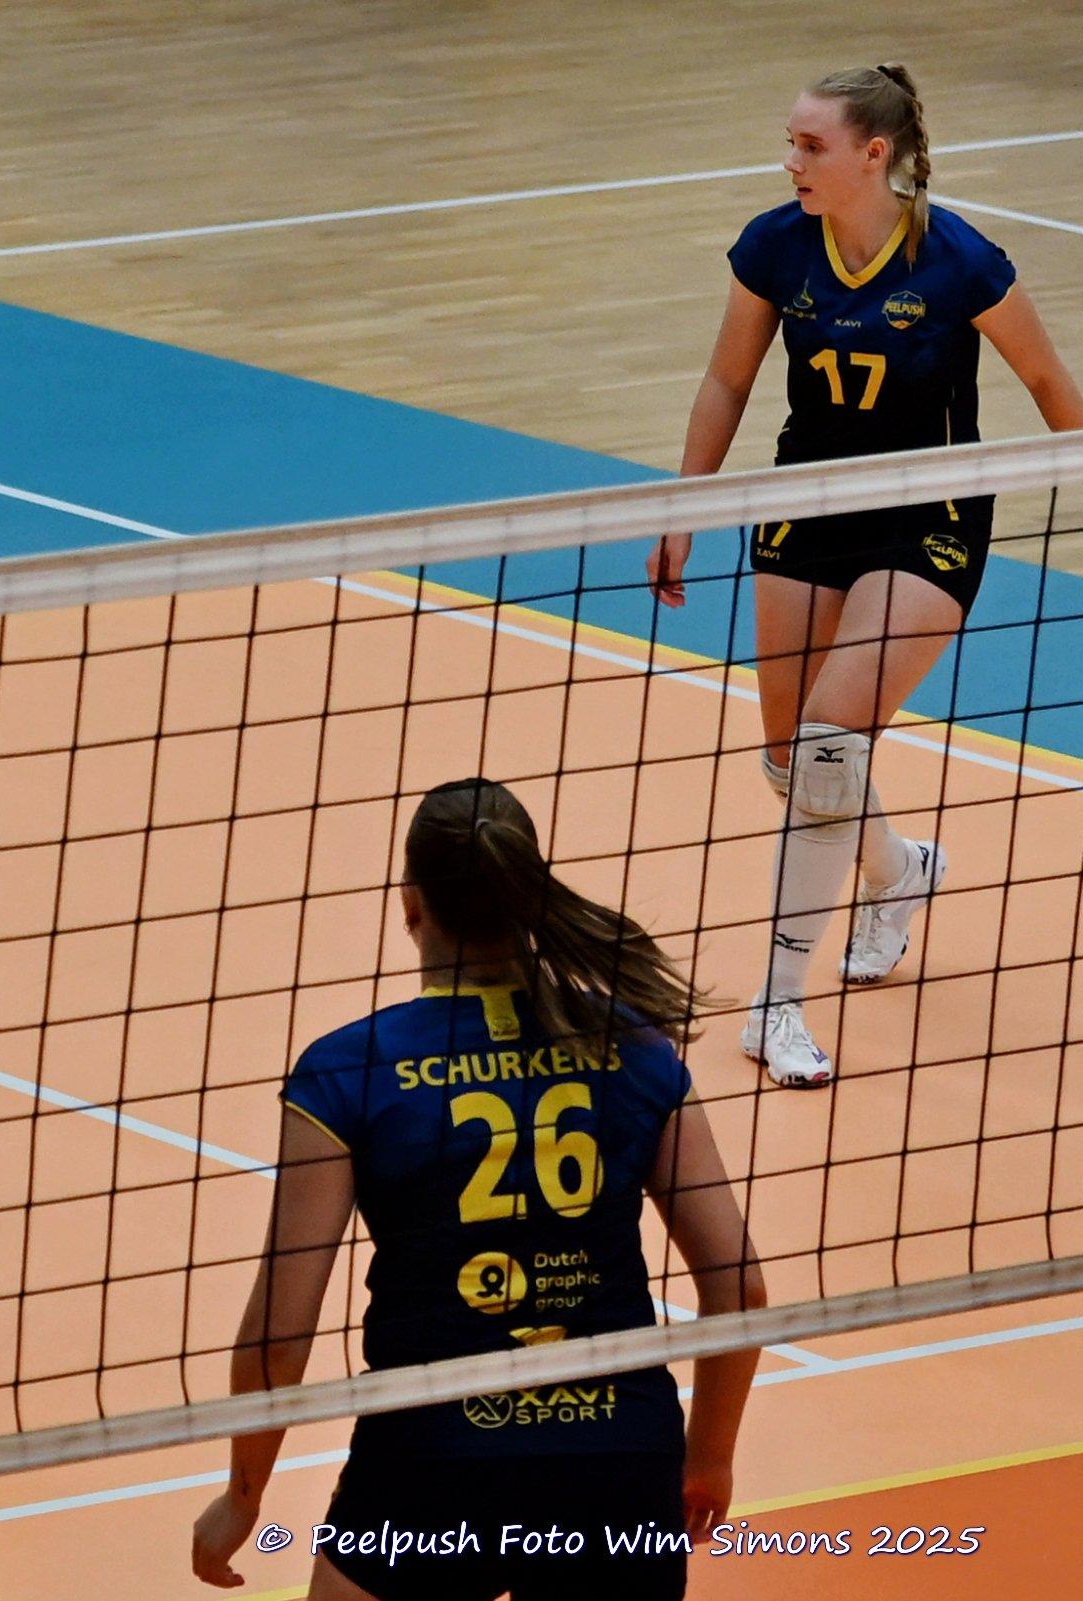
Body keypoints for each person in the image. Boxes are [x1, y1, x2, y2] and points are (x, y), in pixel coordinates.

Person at [190, 779, 765, 1599]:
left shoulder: (349, 1070)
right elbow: (739, 1286)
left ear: (410, 903)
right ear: (528, 890)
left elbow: (279, 1336)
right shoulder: (634, 1047)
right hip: (617, 1455)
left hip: (432, 1463)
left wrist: (243, 1498)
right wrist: (707, 1459)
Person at [646, 64, 1082, 1087]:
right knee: (791, 762)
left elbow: (1049, 381)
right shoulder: (776, 245)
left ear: (872, 154)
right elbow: (727, 379)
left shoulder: (958, 259)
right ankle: (899, 870)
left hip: (930, 513)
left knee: (831, 745)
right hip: (811, 497)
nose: (791, 161)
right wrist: (679, 508)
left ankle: (776, 1005)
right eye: (791, 142)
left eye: (811, 146)